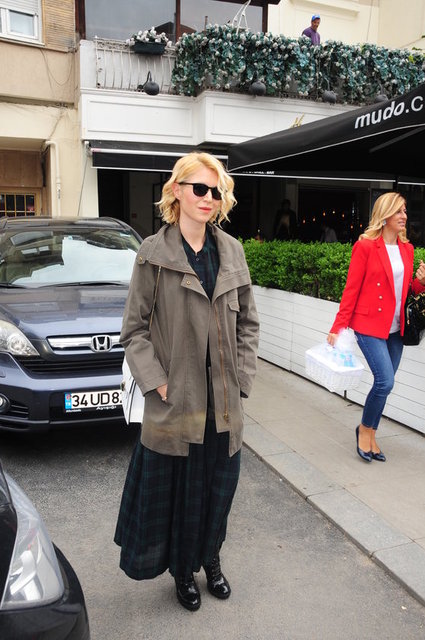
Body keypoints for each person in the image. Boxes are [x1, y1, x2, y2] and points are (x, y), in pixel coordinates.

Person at [114, 152, 260, 612]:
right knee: (181, 493)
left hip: (224, 403)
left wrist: (242, 378)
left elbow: (248, 323)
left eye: (216, 191)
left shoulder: (232, 251)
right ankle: (183, 571)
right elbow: (134, 331)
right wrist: (158, 382)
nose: (208, 198)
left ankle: (210, 559)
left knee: (219, 489)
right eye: (199, 188)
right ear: (176, 191)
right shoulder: (153, 255)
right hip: (176, 402)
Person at [327, 192, 425, 463]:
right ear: (385, 215)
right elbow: (351, 289)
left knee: (385, 385)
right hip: (368, 324)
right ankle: (364, 430)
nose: (404, 216)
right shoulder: (365, 246)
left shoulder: (407, 249)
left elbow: (405, 291)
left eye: (405, 211)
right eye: (398, 211)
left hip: (396, 328)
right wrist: (338, 327)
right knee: (385, 381)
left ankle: (369, 431)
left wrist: (421, 282)